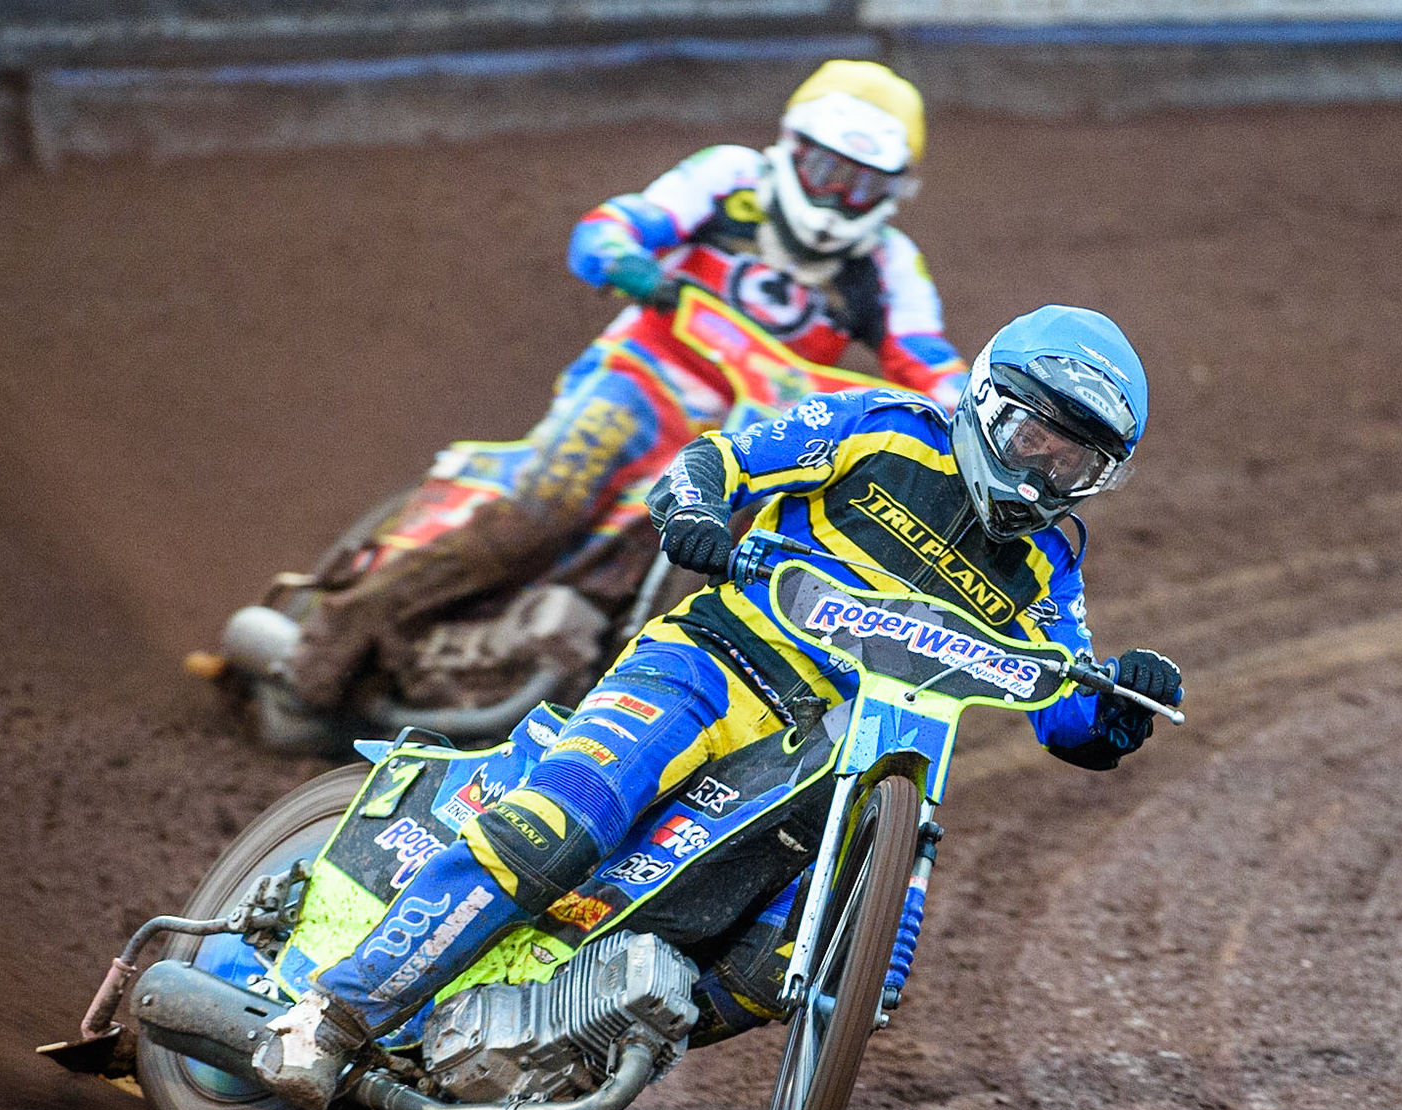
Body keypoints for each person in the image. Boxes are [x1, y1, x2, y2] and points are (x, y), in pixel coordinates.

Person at [253, 302, 1185, 1110]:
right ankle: (332, 1014)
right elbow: (724, 459)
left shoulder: (1048, 565)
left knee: (782, 971)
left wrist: (1122, 705)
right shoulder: (884, 428)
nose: (1043, 479)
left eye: (1076, 466)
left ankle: (563, 1044)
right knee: (556, 827)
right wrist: (697, 507)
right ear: (988, 405)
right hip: (713, 670)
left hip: (838, 767)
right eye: (1035, 441)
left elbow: (1063, 702)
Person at [285, 59, 968, 716]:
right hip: (642, 380)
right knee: (550, 500)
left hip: (747, 431)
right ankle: (337, 631)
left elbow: (925, 356)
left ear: (894, 192)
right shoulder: (730, 177)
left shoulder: (889, 265)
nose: (836, 197)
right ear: (792, 148)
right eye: (826, 169)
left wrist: (970, 419)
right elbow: (612, 227)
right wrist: (631, 263)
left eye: (862, 184)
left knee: (747, 546)